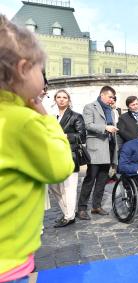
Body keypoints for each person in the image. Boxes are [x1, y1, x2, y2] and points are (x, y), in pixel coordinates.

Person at [0, 15, 74, 282]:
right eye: (41, 71)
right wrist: (45, 118)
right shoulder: (23, 122)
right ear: (23, 69)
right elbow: (60, 166)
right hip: (9, 261)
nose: (44, 82)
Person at [77, 86, 119, 220]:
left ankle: (96, 206)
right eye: (110, 97)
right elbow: (88, 125)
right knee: (90, 179)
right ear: (102, 95)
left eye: (113, 98)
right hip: (96, 148)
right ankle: (82, 208)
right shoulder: (90, 107)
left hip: (109, 148)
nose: (112, 100)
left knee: (102, 180)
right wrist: (105, 128)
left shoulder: (111, 111)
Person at [49, 89, 86, 228]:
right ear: (55, 99)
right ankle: (68, 213)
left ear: (69, 100)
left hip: (71, 156)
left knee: (69, 187)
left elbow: (82, 136)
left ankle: (69, 216)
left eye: (64, 97)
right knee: (54, 186)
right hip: (54, 157)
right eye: (59, 97)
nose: (61, 99)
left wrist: (67, 136)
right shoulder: (53, 118)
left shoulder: (76, 116)